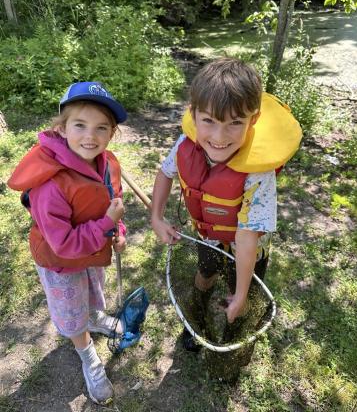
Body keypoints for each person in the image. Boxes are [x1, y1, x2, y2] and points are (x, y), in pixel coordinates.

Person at [151, 58, 302, 353]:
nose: (219, 138)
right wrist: (156, 217)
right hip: (209, 235)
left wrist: (242, 294)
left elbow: (247, 236)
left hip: (248, 245)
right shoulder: (186, 142)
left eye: (235, 123)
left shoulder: (258, 171)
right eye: (209, 121)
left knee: (239, 291)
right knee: (205, 273)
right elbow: (166, 172)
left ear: (253, 120)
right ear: (194, 115)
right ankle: (196, 319)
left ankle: (234, 329)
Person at [8, 82, 129, 405]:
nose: (91, 136)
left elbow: (111, 201)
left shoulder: (107, 162)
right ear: (61, 129)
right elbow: (62, 243)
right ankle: (86, 353)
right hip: (61, 263)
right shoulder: (50, 184)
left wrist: (118, 229)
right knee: (71, 311)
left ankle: (95, 317)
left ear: (112, 133)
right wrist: (105, 224)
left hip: (92, 253)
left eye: (101, 128)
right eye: (80, 125)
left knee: (91, 292)